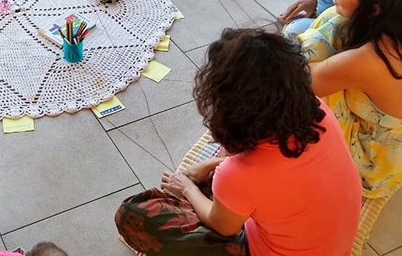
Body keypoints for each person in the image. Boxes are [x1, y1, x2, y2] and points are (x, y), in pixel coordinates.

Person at [115, 28, 361, 256]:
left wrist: (186, 188)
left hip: (263, 246)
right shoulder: (318, 112)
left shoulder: (238, 175)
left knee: (133, 213)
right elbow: (275, 169)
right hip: (330, 244)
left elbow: (221, 225)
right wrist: (215, 164)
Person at [299, 0, 402, 198]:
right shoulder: (392, 25)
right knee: (331, 20)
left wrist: (308, 40)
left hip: (372, 164)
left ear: (373, 10)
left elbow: (303, 80)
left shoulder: (371, 58)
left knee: (305, 95)